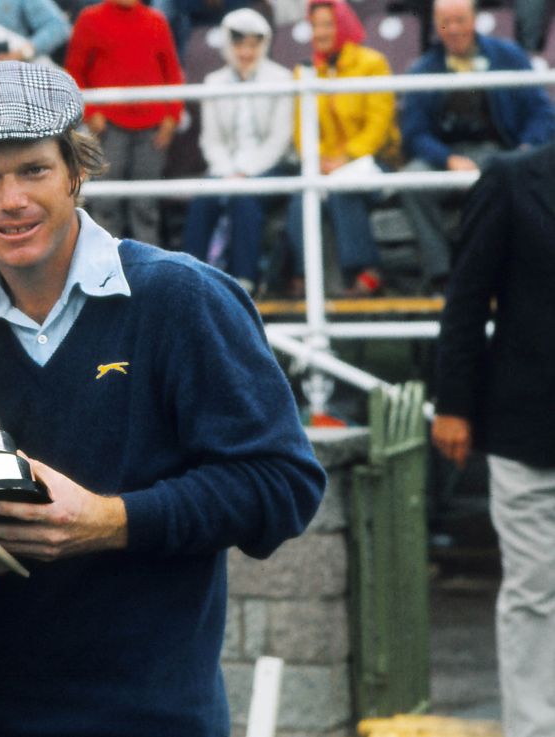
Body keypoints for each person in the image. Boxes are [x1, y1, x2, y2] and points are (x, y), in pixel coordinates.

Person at [0, 61, 326, 736]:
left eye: (34, 170)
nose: (10, 198)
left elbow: (284, 486)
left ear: (76, 170)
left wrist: (112, 519)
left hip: (161, 719)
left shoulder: (181, 298)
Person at [430, 143, 555, 737]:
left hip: (525, 420)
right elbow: (467, 296)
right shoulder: (510, 180)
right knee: (535, 592)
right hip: (528, 427)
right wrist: (453, 403)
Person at [399, 0, 555, 293]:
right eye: (446, 22)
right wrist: (447, 159)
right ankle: (441, 276)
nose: (454, 29)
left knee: (508, 181)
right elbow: (414, 134)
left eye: (460, 20)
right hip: (445, 156)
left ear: (474, 20)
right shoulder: (423, 69)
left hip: (498, 152)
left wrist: (523, 152)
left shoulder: (507, 56)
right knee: (411, 182)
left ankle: (501, 272)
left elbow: (541, 113)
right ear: (435, 26)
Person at [285, 0, 399, 297]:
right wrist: (321, 158)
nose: (321, 32)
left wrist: (346, 157)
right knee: (301, 196)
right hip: (325, 165)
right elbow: (302, 129)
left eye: (328, 24)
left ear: (343, 25)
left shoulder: (373, 63)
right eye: (315, 26)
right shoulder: (306, 71)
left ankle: (365, 270)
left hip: (373, 162)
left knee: (342, 186)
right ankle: (306, 274)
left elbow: (379, 124)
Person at [182, 7, 293, 295]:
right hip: (225, 169)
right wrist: (228, 172)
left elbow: (279, 140)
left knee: (244, 199)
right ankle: (189, 277)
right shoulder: (214, 82)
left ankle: (245, 281)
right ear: (229, 45)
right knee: (203, 198)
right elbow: (211, 140)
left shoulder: (281, 79)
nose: (246, 52)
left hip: (270, 167)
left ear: (263, 44)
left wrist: (246, 173)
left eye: (253, 44)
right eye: (240, 44)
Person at [64, 0, 184, 247]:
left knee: (146, 205)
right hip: (108, 128)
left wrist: (172, 117)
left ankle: (150, 270)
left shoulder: (156, 21)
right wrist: (91, 111)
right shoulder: (90, 19)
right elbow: (74, 71)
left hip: (152, 128)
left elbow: (172, 71)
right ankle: (103, 267)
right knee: (106, 204)